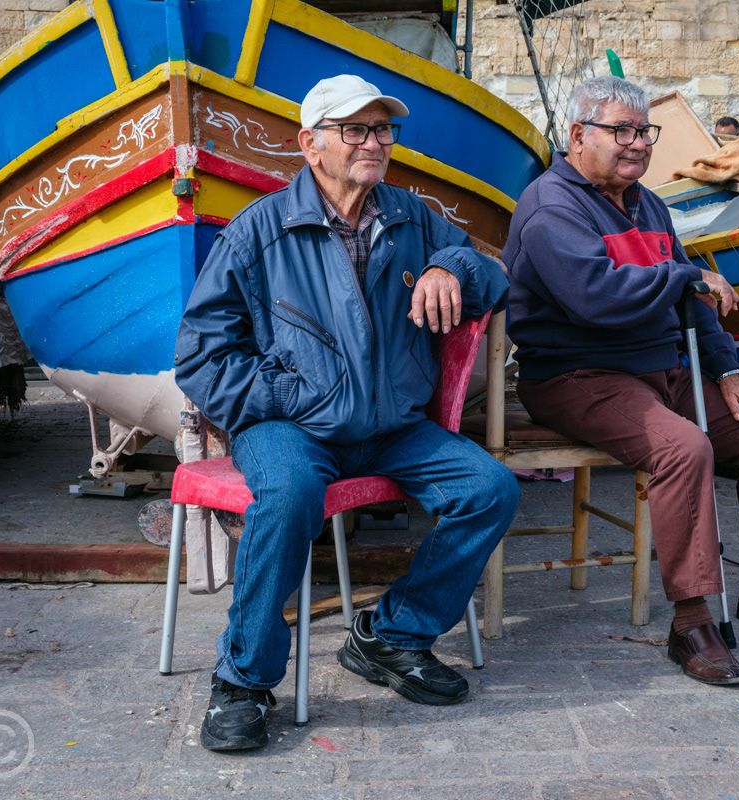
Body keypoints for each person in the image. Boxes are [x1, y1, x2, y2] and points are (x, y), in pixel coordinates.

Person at [174, 74, 519, 750]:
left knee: (490, 489)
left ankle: (390, 635)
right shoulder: (259, 231)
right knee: (290, 493)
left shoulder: (411, 217)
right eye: (354, 130)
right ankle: (242, 680)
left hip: (392, 428)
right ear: (311, 144)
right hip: (291, 428)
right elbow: (202, 358)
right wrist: (294, 396)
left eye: (383, 130)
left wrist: (453, 266)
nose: (374, 142)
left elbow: (494, 276)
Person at [502, 76, 739, 687]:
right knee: (682, 447)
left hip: (661, 370)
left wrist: (731, 372)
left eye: (644, 132)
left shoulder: (647, 202)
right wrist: (682, 279)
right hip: (579, 375)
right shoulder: (551, 205)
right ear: (578, 135)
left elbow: (696, 300)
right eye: (622, 131)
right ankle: (691, 623)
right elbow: (596, 299)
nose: (637, 144)